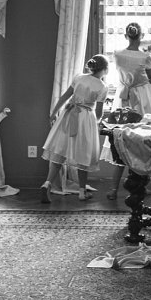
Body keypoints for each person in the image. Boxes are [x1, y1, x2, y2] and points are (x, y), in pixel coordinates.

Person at [40, 54, 110, 203]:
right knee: (83, 154)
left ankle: (47, 184)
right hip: (85, 119)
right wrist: (97, 121)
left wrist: (53, 114)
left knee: (60, 151)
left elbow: (64, 97)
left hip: (68, 114)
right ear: (105, 69)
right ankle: (82, 192)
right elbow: (98, 113)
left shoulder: (79, 77)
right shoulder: (102, 87)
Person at [104, 22, 151, 200]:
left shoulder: (117, 54)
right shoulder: (146, 57)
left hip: (123, 97)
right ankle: (141, 184)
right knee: (142, 139)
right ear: (141, 36)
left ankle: (113, 188)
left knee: (120, 138)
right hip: (143, 97)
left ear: (126, 36)